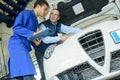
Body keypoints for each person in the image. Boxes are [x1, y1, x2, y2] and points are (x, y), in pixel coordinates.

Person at [34, 9, 81, 80]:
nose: (53, 16)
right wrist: (60, 38)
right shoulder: (43, 25)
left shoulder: (59, 26)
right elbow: (46, 40)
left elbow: (71, 30)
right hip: (41, 52)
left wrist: (84, 32)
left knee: (56, 71)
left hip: (51, 52)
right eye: (52, 14)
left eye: (55, 15)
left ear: (58, 18)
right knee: (44, 74)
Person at [8, 0, 49, 80]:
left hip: (23, 46)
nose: (46, 12)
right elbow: (16, 28)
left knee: (21, 73)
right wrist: (33, 33)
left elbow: (30, 37)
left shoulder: (36, 22)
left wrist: (35, 42)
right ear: (38, 6)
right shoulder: (26, 13)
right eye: (45, 9)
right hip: (17, 43)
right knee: (27, 70)